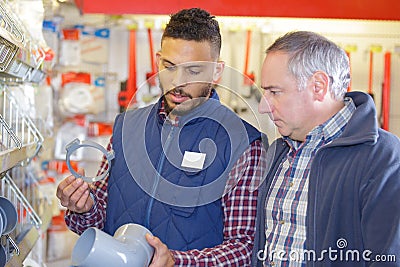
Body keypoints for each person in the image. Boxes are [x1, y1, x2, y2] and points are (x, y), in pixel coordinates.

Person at [56, 8, 267, 266]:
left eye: (193, 71)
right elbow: (99, 220)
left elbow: (244, 248)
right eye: (170, 66)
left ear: (216, 71)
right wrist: (83, 207)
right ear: (158, 61)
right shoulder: (127, 127)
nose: (177, 82)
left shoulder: (243, 144)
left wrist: (176, 261)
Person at [251, 31, 400, 266]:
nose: (263, 107)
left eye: (274, 92)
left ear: (318, 86)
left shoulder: (383, 157)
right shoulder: (279, 152)